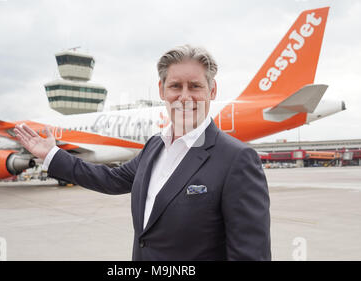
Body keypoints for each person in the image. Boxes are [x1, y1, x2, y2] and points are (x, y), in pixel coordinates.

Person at [14, 45, 271, 261]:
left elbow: (250, 254)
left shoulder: (237, 159)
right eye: (175, 86)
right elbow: (111, 179)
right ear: (162, 91)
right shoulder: (154, 147)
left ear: (212, 91)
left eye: (195, 86)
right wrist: (51, 155)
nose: (184, 96)